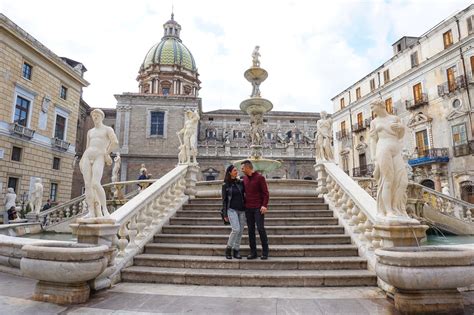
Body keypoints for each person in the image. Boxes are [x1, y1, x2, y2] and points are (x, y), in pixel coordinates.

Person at [369, 100, 413, 222]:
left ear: (380, 105)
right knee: (387, 179)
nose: (371, 109)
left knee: (402, 180)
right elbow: (372, 140)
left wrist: (402, 128)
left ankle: (397, 207)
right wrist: (373, 157)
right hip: (383, 148)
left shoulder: (395, 118)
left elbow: (400, 136)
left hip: (396, 148)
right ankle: (388, 211)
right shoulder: (374, 122)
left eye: (373, 106)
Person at [79, 108, 119, 218]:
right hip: (87, 155)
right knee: (87, 185)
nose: (95, 117)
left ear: (102, 117)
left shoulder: (107, 129)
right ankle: (91, 212)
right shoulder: (90, 132)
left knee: (96, 183)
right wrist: (82, 159)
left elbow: (115, 142)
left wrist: (107, 153)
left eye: (97, 115)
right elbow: (87, 146)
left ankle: (105, 210)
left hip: (99, 156)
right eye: (93, 116)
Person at [240, 160, 269, 260]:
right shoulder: (244, 179)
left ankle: (265, 252)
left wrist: (264, 205)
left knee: (260, 228)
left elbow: (265, 193)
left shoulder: (260, 178)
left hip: (258, 208)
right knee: (250, 230)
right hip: (248, 208)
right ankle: (253, 252)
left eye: (243, 168)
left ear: (248, 167)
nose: (241, 169)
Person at [221, 165, 246, 260]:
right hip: (231, 210)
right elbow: (224, 200)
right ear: (230, 172)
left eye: (237, 170)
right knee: (236, 229)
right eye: (235, 170)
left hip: (242, 210)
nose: (237, 172)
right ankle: (228, 249)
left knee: (240, 232)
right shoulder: (225, 185)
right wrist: (225, 214)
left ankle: (236, 250)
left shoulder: (240, 183)